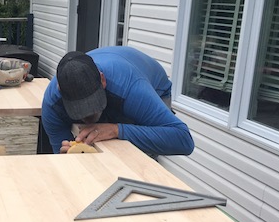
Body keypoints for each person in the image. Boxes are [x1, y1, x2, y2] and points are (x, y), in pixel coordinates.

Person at [41, 46, 195, 157]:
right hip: (116, 81)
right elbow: (63, 161)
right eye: (79, 109)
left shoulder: (130, 88)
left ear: (102, 80)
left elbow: (183, 140)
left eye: (93, 104)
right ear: (60, 91)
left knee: (138, 158)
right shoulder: (52, 104)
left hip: (151, 86)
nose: (87, 116)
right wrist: (66, 157)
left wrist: (116, 130)